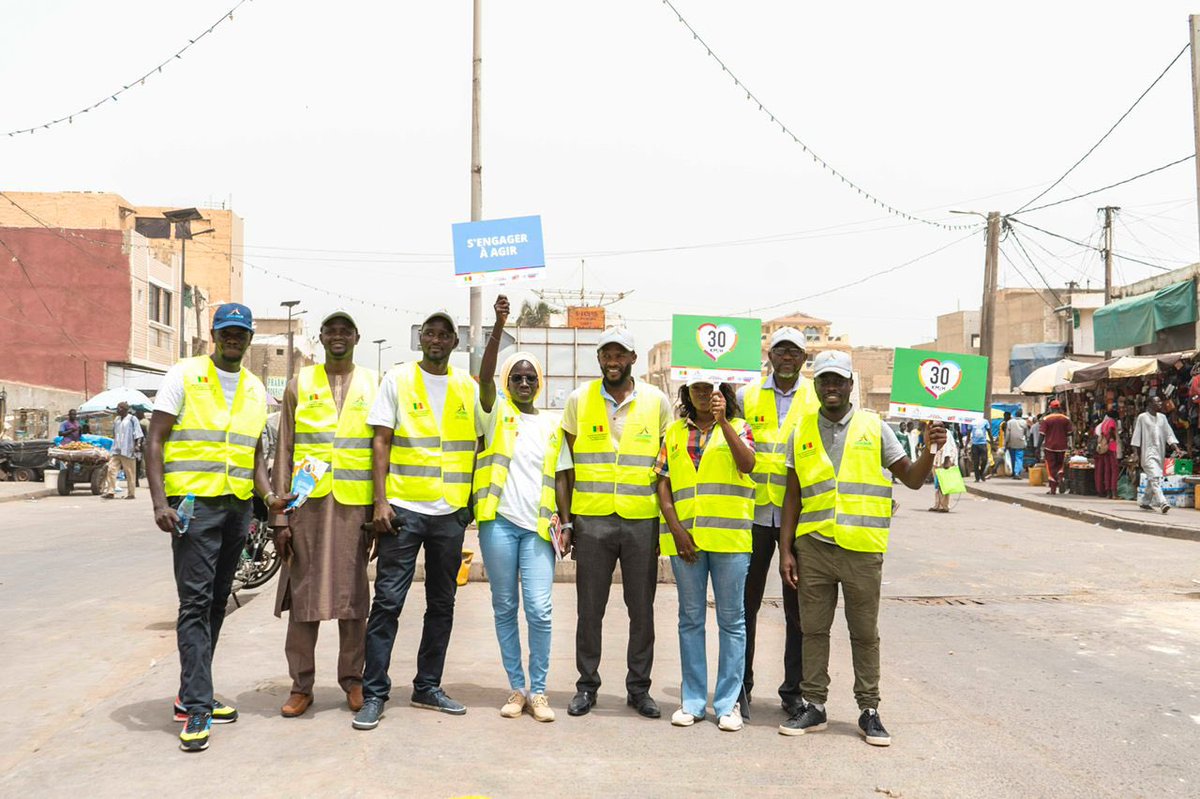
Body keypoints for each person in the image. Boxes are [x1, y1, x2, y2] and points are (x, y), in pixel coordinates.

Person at [777, 351, 944, 746]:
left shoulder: (875, 426)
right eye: (824, 381)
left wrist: (931, 451)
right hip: (814, 547)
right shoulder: (800, 429)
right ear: (815, 386)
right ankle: (814, 705)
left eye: (838, 380)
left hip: (862, 549)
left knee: (864, 633)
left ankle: (869, 710)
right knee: (813, 630)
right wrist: (786, 550)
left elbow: (913, 480)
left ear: (851, 384)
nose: (831, 387)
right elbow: (791, 497)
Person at [145, 303, 289, 753]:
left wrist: (268, 499)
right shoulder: (184, 375)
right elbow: (155, 440)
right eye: (226, 332)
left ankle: (192, 693)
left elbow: (253, 458)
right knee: (194, 603)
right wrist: (158, 502)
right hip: (192, 507)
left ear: (249, 340)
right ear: (214, 335)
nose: (233, 339)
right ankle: (197, 706)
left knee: (216, 603)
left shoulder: (253, 387)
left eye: (240, 333)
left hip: (237, 509)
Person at [354, 309, 479, 731]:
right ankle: (374, 692)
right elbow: (381, 441)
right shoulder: (398, 379)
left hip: (449, 513)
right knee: (388, 602)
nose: (438, 340)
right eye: (431, 333)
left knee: (442, 604)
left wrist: (470, 503)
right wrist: (380, 502)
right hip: (404, 510)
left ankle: (428, 686)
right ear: (420, 338)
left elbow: (481, 444)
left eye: (446, 335)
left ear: (455, 343)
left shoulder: (466, 384)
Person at [558, 326, 673, 719]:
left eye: (619, 354)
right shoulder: (579, 399)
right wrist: (570, 521)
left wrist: (663, 522)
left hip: (641, 520)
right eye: (606, 354)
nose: (612, 361)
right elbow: (567, 466)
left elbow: (665, 465)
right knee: (590, 610)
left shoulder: (657, 401)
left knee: (642, 610)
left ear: (632, 360)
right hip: (592, 520)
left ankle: (638, 689)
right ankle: (586, 686)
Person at [271, 311, 378, 718]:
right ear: (321, 338)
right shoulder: (300, 385)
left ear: (357, 336)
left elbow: (380, 450)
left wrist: (379, 509)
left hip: (355, 506)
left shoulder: (374, 383)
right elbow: (284, 450)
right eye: (330, 331)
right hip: (307, 505)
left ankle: (353, 681)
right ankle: (301, 685)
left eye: (345, 331)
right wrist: (279, 517)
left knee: (353, 599)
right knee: (305, 596)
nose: (338, 337)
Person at [473, 296, 571, 723]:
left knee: (540, 608)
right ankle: (516, 688)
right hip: (498, 525)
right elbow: (484, 378)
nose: (525, 382)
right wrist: (499, 326)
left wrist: (566, 524)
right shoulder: (496, 415)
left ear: (540, 382)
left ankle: (541, 690)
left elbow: (564, 477)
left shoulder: (551, 424)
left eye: (531, 377)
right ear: (507, 383)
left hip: (537, 529)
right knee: (504, 606)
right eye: (517, 377)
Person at [657, 376, 757, 732]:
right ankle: (693, 702)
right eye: (697, 388)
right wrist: (677, 530)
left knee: (732, 622)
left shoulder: (741, 427)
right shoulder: (672, 433)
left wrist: (723, 422)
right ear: (687, 392)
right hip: (687, 544)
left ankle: (727, 705)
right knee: (691, 620)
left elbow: (747, 465)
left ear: (724, 393)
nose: (705, 394)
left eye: (712, 389)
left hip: (730, 542)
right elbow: (662, 484)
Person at [737, 326, 818, 716]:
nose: (787, 357)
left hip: (797, 517)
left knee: (797, 610)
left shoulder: (817, 397)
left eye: (794, 352)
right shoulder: (746, 395)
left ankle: (793, 692)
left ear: (804, 359)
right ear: (769, 355)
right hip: (751, 513)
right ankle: (740, 686)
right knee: (743, 605)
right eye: (780, 350)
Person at [1132, 396, 1183, 514]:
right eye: (1157, 401)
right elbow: (1136, 437)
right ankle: (1163, 502)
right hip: (1147, 453)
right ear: (1150, 403)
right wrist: (1136, 454)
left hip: (1159, 453)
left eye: (1160, 401)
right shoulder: (1142, 418)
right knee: (1155, 477)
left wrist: (1176, 448)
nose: (1160, 403)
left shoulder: (1163, 418)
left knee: (1153, 478)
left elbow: (1169, 434)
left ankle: (1145, 502)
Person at [102, 401, 143, 499]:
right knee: (111, 469)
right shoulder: (116, 419)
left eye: (119, 408)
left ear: (125, 409)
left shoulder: (133, 419)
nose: (117, 410)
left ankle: (131, 493)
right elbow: (115, 433)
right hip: (116, 449)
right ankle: (110, 492)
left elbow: (138, 433)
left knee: (129, 473)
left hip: (128, 450)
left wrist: (137, 445)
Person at [1039, 400, 1072, 495]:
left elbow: (1042, 435)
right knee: (1060, 465)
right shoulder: (1066, 419)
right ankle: (1060, 476)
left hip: (1050, 446)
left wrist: (1037, 447)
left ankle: (1053, 489)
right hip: (1063, 446)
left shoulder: (1046, 419)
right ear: (1059, 408)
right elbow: (1070, 433)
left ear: (1050, 408)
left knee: (1051, 467)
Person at [929, 422, 958, 512]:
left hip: (944, 460)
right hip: (936, 461)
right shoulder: (935, 433)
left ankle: (944, 505)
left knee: (944, 485)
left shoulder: (947, 433)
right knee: (937, 485)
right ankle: (937, 504)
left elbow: (948, 448)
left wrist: (947, 461)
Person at [1094, 409, 1119, 499]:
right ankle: (1114, 492)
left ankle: (1108, 491)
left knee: (1107, 470)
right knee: (1114, 470)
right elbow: (1111, 431)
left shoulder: (1104, 423)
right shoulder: (1112, 422)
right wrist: (1111, 439)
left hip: (1104, 449)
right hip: (1111, 447)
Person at [1005, 409, 1029, 479]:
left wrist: (1006, 443)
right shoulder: (1024, 422)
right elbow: (1026, 433)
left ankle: (1013, 472)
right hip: (1020, 443)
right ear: (1021, 415)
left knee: (1012, 458)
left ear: (1015, 414)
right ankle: (1016, 473)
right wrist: (1026, 440)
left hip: (1011, 443)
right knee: (1019, 458)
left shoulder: (1009, 422)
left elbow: (1007, 434)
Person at [968, 415, 991, 482]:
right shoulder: (971, 422)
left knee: (984, 460)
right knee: (976, 462)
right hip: (974, 444)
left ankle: (981, 473)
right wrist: (967, 444)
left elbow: (989, 431)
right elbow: (969, 433)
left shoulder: (985, 421)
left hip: (983, 443)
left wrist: (991, 441)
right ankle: (977, 477)